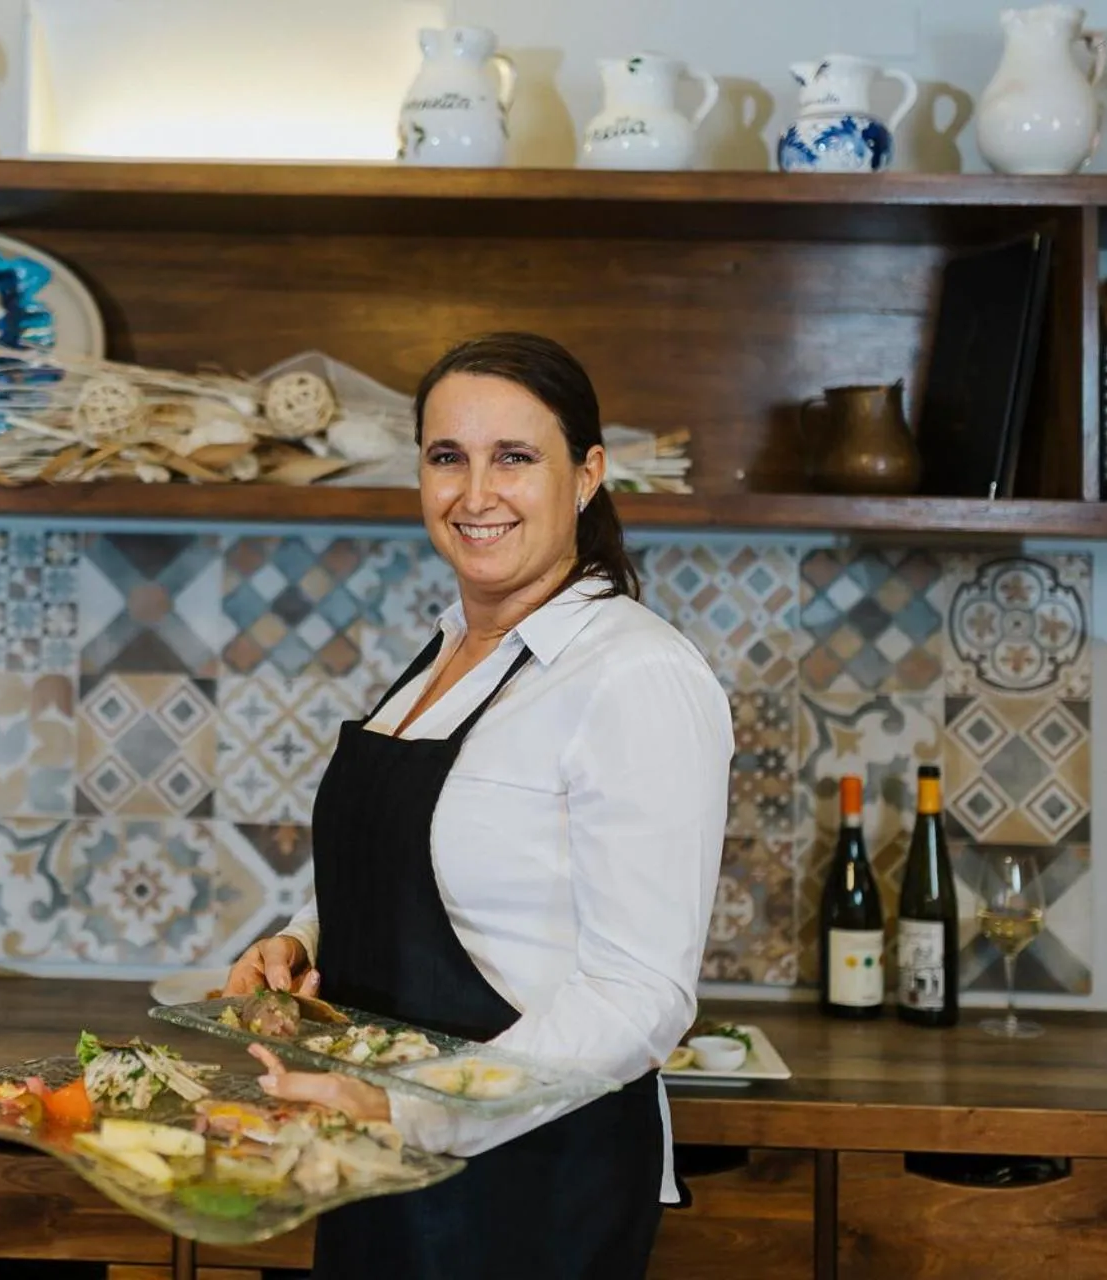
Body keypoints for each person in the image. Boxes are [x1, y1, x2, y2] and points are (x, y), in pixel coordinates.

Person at [222, 331, 734, 1280]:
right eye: (447, 457)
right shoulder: (448, 652)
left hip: (528, 1182)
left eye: (515, 458)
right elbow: (420, 864)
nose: (475, 493)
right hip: (372, 1149)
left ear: (587, 476)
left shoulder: (636, 674)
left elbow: (642, 995)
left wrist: (408, 1107)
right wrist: (301, 939)